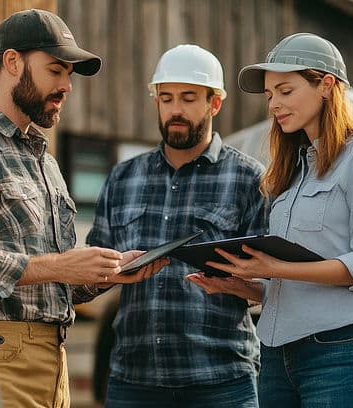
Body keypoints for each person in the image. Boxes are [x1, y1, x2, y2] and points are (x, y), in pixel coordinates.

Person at [0, 9, 166, 408]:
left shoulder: (44, 161)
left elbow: (52, 283)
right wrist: (57, 266)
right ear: (13, 62)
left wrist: (109, 273)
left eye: (69, 75)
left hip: (51, 362)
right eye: (55, 70)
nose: (66, 85)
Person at [189, 33, 353, 407]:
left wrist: (275, 267)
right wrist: (248, 286)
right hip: (277, 358)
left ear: (326, 85)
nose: (274, 104)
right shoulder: (293, 170)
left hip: (340, 354)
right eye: (270, 95)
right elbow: (299, 283)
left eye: (286, 91)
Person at [86, 44, 268, 408]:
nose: (175, 110)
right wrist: (110, 272)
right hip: (134, 381)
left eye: (188, 98)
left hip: (221, 382)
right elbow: (91, 274)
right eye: (166, 98)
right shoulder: (123, 178)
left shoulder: (250, 179)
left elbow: (274, 285)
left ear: (214, 103)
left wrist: (238, 285)